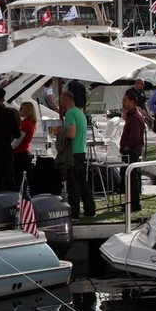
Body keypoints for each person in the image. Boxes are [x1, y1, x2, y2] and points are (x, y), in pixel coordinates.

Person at [60, 90, 95, 219]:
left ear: (67, 100)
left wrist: (61, 134)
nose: (61, 104)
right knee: (82, 181)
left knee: (73, 183)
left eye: (62, 101)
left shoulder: (69, 113)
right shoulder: (80, 113)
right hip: (81, 150)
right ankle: (89, 208)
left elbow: (71, 133)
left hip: (73, 152)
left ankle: (74, 211)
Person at [119, 91, 146, 210]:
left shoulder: (135, 117)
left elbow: (134, 138)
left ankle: (134, 204)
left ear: (132, 102)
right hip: (130, 150)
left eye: (125, 100)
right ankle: (130, 202)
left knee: (130, 176)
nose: (123, 102)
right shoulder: (131, 115)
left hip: (132, 151)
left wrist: (126, 147)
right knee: (128, 177)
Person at [12, 101, 37, 189]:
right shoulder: (30, 122)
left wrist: (8, 149)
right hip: (24, 153)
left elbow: (17, 141)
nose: (19, 110)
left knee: (19, 179)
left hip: (20, 154)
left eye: (21, 108)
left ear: (27, 110)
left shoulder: (26, 124)